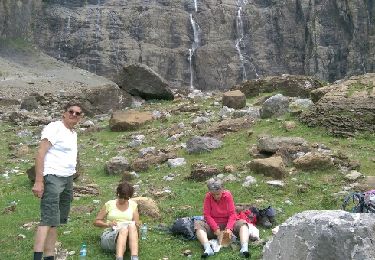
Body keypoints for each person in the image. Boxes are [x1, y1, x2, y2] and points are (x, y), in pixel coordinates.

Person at [32, 101, 83, 260]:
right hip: (53, 177)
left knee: (56, 220)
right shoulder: (54, 127)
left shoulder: (73, 133)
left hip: (67, 179)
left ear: (80, 118)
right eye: (71, 111)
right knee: (47, 218)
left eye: (77, 113)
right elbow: (41, 152)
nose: (73, 115)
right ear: (64, 113)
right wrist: (39, 181)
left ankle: (49, 255)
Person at [194, 178, 250, 258]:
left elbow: (232, 214)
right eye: (213, 194)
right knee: (198, 224)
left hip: (227, 224)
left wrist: (229, 228)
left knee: (243, 224)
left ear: (222, 190)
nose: (216, 196)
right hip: (213, 227)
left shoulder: (227, 195)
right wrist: (215, 228)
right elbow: (207, 215)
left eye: (218, 194)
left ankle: (244, 248)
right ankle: (207, 248)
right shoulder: (208, 197)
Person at [94, 181, 140, 260]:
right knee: (123, 230)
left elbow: (137, 225)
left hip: (128, 238)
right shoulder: (110, 204)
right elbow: (96, 222)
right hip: (111, 235)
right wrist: (108, 224)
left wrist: (136, 225)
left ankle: (134, 257)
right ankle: (119, 258)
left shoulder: (133, 205)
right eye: (122, 197)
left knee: (131, 227)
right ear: (118, 194)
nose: (124, 200)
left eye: (127, 198)